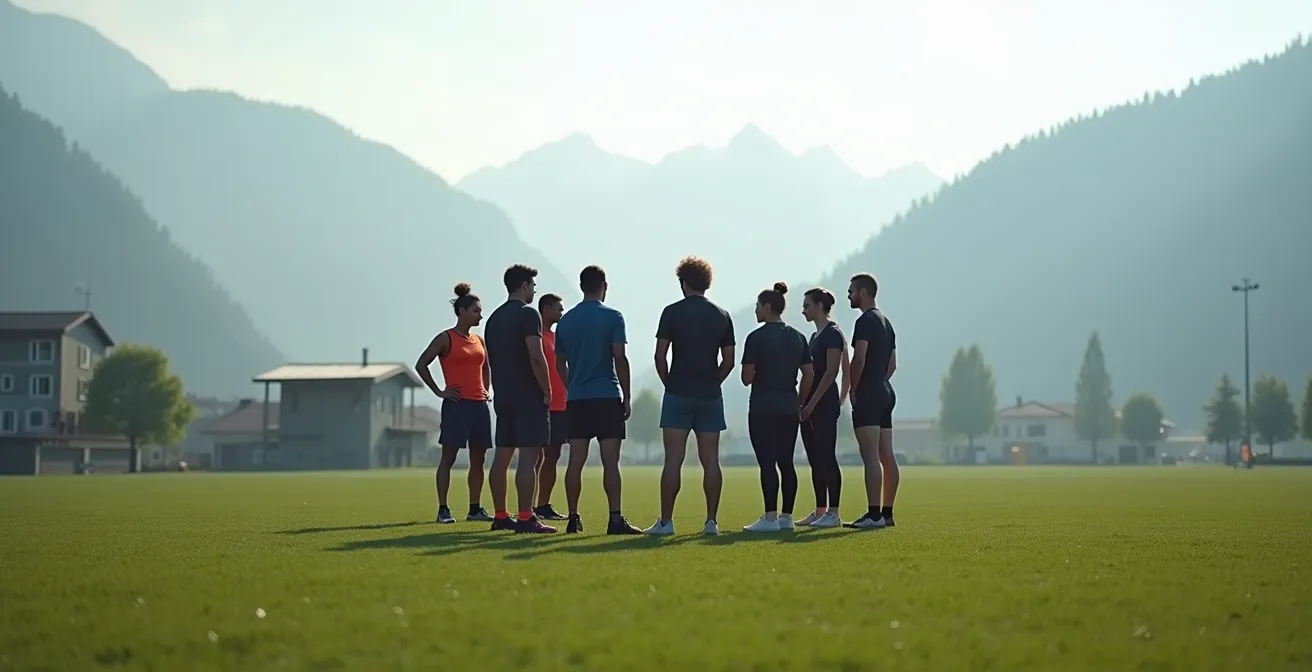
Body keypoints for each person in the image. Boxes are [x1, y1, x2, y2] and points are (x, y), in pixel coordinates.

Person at [645, 256, 735, 537]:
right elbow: (729, 361)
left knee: (673, 459)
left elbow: (660, 355)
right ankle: (711, 522)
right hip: (709, 395)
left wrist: (669, 383)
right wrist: (713, 381)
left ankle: (666, 522)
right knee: (711, 459)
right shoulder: (722, 315)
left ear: (683, 283)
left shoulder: (671, 312)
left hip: (678, 393)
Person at [554, 265, 643, 535]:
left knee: (575, 460)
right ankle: (615, 519)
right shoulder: (613, 317)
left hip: (578, 399)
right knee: (610, 461)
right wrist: (627, 396)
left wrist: (573, 387)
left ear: (581, 286)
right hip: (606, 395)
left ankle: (572, 517)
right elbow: (620, 358)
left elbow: (559, 364)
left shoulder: (566, 321)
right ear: (604, 285)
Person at [484, 264, 556, 534]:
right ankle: (526, 517)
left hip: (503, 396)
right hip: (528, 396)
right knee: (529, 457)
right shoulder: (528, 315)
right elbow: (536, 357)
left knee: (501, 457)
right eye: (533, 286)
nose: (534, 291)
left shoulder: (493, 318)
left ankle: (501, 515)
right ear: (524, 285)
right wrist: (547, 390)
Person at [414, 283, 493, 524]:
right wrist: (439, 391)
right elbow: (421, 364)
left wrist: (486, 390)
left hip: (479, 405)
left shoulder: (479, 340)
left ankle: (475, 509)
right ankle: (443, 510)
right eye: (476, 311)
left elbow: (487, 367)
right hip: (457, 406)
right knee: (448, 458)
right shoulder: (445, 338)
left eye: (480, 311)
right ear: (462, 311)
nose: (480, 315)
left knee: (478, 460)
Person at [740, 282, 814, 532]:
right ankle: (786, 517)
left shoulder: (755, 338)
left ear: (768, 307)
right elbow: (809, 373)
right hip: (788, 407)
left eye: (758, 306)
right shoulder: (798, 337)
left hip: (762, 408)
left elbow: (746, 377)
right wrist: (800, 401)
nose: (755, 310)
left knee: (767, 463)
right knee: (786, 462)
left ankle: (769, 517)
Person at [843, 273, 897, 529]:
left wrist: (854, 389)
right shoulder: (887, 323)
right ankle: (887, 513)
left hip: (870, 392)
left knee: (870, 456)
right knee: (887, 455)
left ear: (863, 292)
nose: (849, 295)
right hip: (885, 391)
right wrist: (880, 381)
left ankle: (873, 514)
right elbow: (892, 364)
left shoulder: (864, 321)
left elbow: (859, 358)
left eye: (851, 291)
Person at [796, 287, 846, 528]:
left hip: (823, 405)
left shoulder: (833, 334)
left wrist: (812, 402)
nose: (803, 310)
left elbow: (831, 372)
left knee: (827, 456)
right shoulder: (814, 337)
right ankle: (820, 510)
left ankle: (833, 513)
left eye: (806, 305)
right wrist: (802, 404)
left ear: (818, 306)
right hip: (808, 406)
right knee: (815, 459)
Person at [532, 293, 568, 521]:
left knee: (553, 455)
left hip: (561, 403)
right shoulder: (535, 336)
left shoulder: (557, 337)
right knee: (534, 456)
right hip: (541, 403)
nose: (561, 313)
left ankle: (543, 505)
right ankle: (529, 506)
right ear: (546, 308)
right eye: (559, 308)